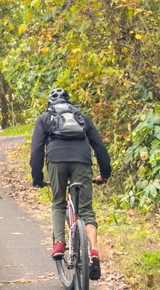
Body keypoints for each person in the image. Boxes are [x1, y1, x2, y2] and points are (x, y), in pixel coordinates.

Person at [29, 87, 111, 279]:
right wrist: (105, 174)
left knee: (58, 203)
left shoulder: (44, 118)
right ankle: (93, 251)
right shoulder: (82, 118)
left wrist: (37, 178)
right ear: (69, 103)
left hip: (56, 162)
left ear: (50, 103)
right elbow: (100, 148)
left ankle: (59, 244)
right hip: (82, 161)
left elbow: (36, 151)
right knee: (86, 210)